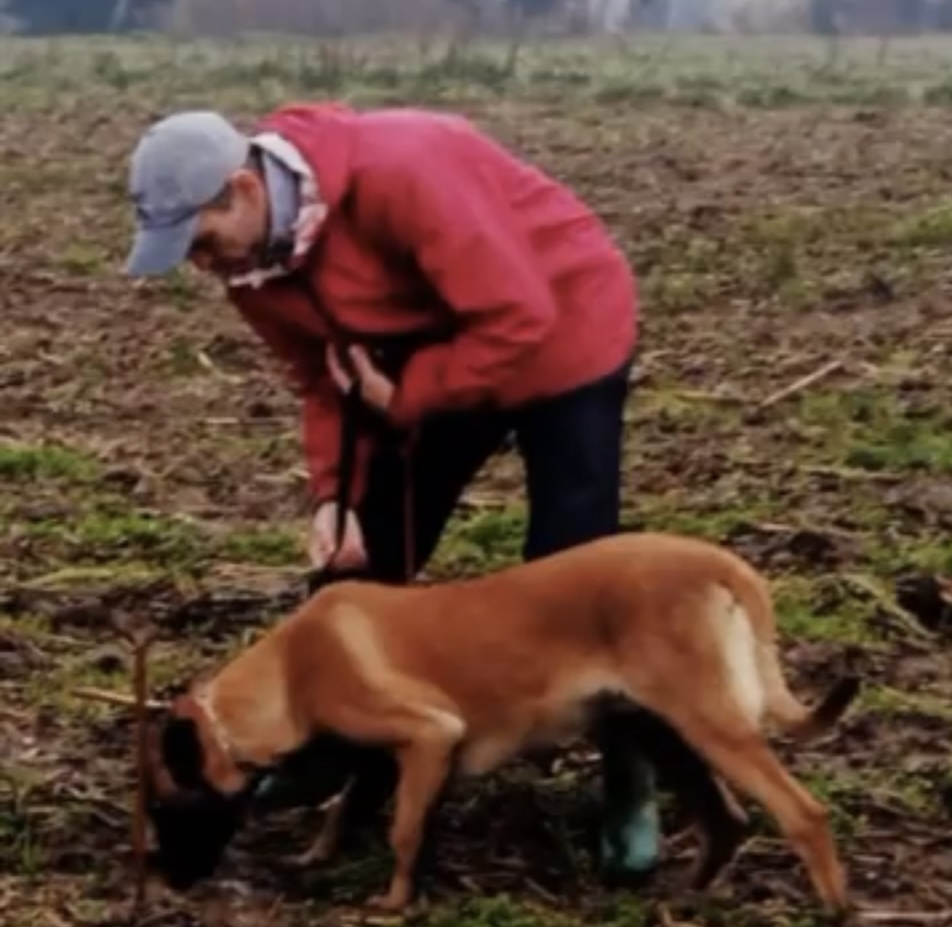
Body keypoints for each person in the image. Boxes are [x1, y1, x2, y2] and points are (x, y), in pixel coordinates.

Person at [123, 102, 662, 879]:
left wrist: (407, 397)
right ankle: (335, 741)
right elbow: (318, 379)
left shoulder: (401, 170)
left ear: (240, 188)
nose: (202, 265)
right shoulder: (257, 268)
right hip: (428, 358)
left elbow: (519, 316)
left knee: (572, 578)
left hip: (559, 337)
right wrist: (333, 497)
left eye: (200, 242)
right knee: (360, 554)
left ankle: (629, 775)